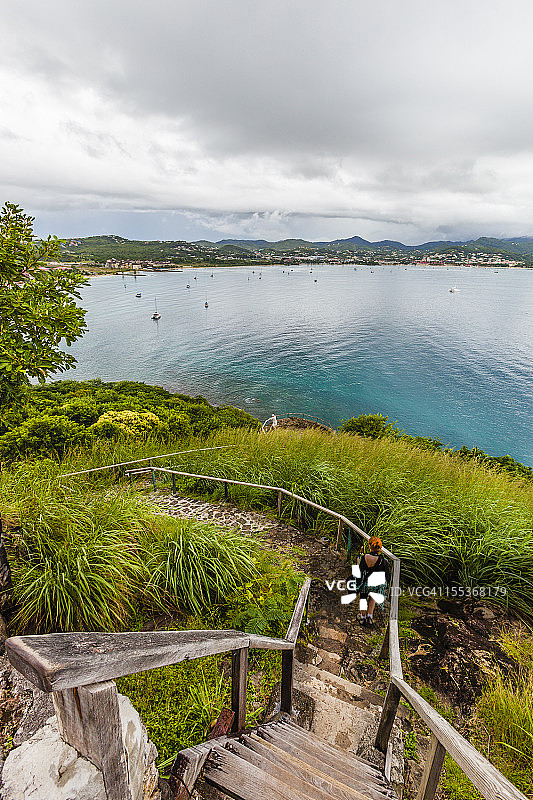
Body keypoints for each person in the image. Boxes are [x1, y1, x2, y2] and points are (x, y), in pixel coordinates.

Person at [355, 536, 391, 627]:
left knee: (363, 598)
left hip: (365, 583)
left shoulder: (364, 557)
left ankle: (362, 617)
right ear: (380, 548)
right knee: (372, 598)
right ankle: (370, 616)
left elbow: (360, 572)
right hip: (375, 584)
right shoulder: (384, 561)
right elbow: (387, 576)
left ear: (370, 546)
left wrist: (358, 584)